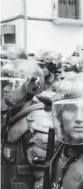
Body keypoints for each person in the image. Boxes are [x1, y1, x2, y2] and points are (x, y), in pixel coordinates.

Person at [1, 59, 54, 189]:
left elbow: (43, 179)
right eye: (4, 84)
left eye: (12, 85)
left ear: (32, 87)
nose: (6, 89)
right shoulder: (10, 114)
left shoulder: (39, 125)